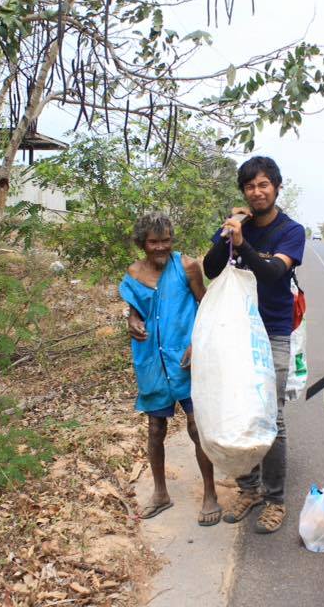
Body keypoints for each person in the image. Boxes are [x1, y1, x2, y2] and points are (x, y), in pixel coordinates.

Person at [202, 156, 306, 534]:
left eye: (264, 184)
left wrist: (245, 246)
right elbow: (212, 269)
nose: (257, 191)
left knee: (269, 414)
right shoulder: (237, 226)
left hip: (273, 331)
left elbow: (274, 273)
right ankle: (249, 489)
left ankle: (275, 498)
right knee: (237, 409)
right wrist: (228, 234)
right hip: (235, 332)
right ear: (243, 192)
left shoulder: (291, 231)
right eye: (250, 186)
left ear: (277, 187)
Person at [119, 212, 222, 526]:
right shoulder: (134, 273)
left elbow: (206, 306)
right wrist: (132, 321)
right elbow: (136, 312)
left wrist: (196, 342)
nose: (160, 247)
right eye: (153, 242)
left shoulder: (188, 266)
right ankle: (161, 493)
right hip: (152, 361)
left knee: (196, 427)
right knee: (155, 430)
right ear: (142, 243)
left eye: (166, 240)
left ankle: (210, 494)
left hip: (185, 360)